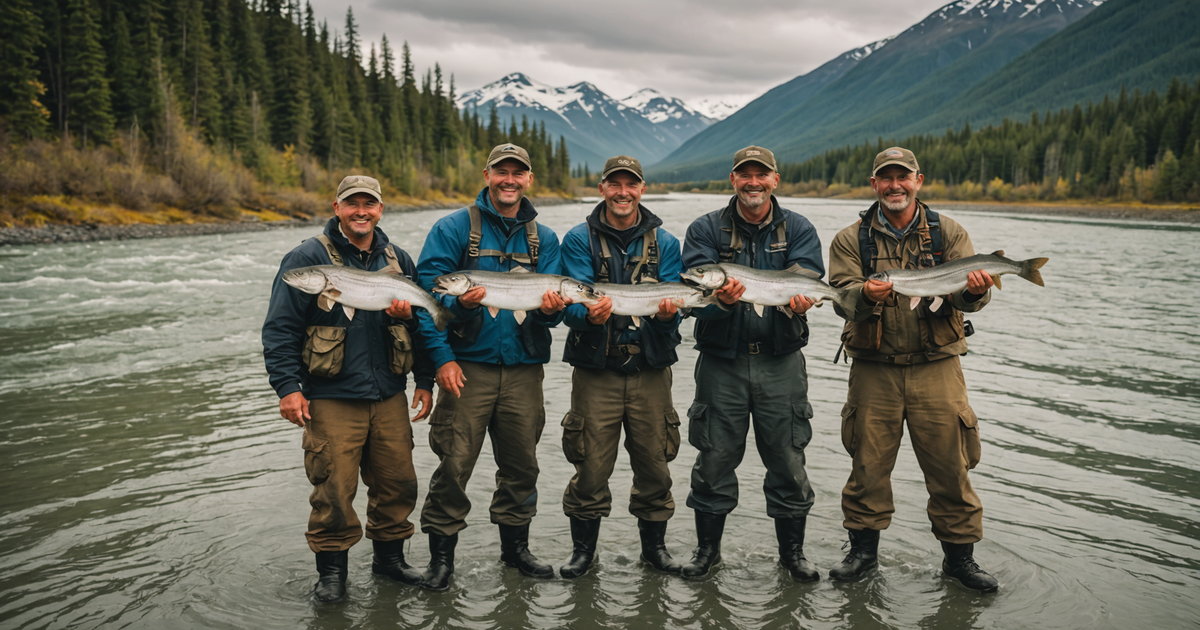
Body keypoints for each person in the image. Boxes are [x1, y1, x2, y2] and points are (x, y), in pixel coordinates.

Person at [826, 146, 999, 593]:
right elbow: (843, 300)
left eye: (903, 177)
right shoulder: (851, 239)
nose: (895, 185)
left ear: (918, 181)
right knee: (867, 466)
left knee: (950, 467)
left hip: (937, 368)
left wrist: (974, 291)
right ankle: (863, 553)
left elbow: (969, 298)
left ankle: (960, 560)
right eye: (887, 177)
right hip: (873, 370)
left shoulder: (948, 232)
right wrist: (868, 295)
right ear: (874, 184)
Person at [262, 175, 435, 603]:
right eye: (352, 203)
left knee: (398, 484)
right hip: (331, 396)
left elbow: (422, 329)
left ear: (381, 209)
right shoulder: (306, 258)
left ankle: (389, 561)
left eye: (369, 204)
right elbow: (280, 330)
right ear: (336, 207)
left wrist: (425, 381)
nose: (362, 211)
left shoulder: (399, 260)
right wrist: (287, 388)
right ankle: (332, 574)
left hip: (389, 394)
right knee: (333, 489)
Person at [413, 143, 568, 591]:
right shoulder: (453, 228)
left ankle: (515, 551)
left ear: (529, 179)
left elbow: (553, 315)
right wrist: (442, 356)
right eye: (502, 172)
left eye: (518, 173)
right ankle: (441, 559)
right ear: (487, 175)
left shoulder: (545, 239)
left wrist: (550, 309)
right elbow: (428, 302)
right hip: (467, 368)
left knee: (522, 465)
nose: (509, 180)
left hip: (524, 370)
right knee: (454, 463)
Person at [679, 146, 824, 581]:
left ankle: (792, 555)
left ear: (775, 180)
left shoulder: (798, 227)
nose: (753, 182)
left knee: (787, 458)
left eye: (762, 175)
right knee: (714, 458)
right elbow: (693, 299)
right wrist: (717, 301)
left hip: (781, 362)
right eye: (746, 175)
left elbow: (806, 276)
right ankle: (707, 553)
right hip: (721, 362)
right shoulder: (705, 228)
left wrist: (799, 302)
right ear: (733, 179)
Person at [556, 155, 686, 578]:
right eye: (615, 184)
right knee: (590, 466)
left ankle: (655, 552)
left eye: (631, 184)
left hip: (650, 373)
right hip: (596, 373)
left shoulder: (665, 242)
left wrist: (668, 315)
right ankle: (583, 554)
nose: (623, 192)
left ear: (641, 189)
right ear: (602, 188)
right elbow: (570, 306)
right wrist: (588, 316)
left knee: (655, 465)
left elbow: (676, 309)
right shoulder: (579, 239)